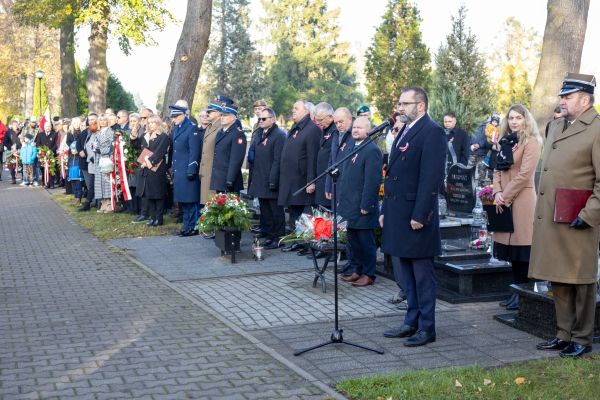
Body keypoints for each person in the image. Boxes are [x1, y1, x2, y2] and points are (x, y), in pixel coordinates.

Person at [531, 73, 600, 358]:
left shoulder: (596, 128)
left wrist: (589, 214)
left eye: (568, 96)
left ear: (585, 100)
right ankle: (563, 333)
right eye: (563, 96)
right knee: (558, 277)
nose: (562, 100)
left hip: (580, 216)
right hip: (553, 215)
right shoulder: (556, 125)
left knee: (581, 279)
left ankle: (582, 338)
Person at [380, 87, 446, 347]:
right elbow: (392, 176)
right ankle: (411, 321)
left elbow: (431, 177)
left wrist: (421, 214)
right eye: (399, 103)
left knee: (422, 275)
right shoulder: (403, 130)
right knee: (406, 273)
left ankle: (427, 327)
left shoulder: (432, 132)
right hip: (398, 213)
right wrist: (385, 210)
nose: (400, 108)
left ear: (421, 106)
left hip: (416, 216)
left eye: (405, 103)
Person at [491, 104, 542, 311]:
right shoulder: (504, 142)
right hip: (504, 199)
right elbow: (496, 169)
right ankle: (515, 292)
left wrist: (506, 195)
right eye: (511, 118)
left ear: (525, 120)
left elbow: (524, 175)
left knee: (523, 250)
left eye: (518, 118)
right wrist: (496, 192)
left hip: (522, 200)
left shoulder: (532, 142)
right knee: (511, 252)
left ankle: (524, 294)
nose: (514, 121)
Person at [338, 116, 383, 287]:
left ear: (368, 130)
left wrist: (366, 204)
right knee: (353, 241)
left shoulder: (371, 150)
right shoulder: (351, 146)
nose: (356, 130)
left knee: (366, 242)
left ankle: (369, 273)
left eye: (360, 128)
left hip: (362, 206)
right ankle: (357, 270)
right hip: (349, 205)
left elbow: (372, 181)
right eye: (354, 127)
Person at [279, 100, 321, 253]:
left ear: (307, 111)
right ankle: (296, 240)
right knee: (294, 211)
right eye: (293, 108)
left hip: (302, 180)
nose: (293, 110)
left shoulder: (312, 129)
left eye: (296, 108)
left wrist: (311, 181)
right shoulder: (296, 127)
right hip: (290, 179)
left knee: (303, 213)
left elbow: (313, 157)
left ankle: (305, 243)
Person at [248, 108, 286, 250]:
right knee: (265, 212)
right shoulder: (259, 133)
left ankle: (279, 238)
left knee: (276, 211)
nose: (261, 121)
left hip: (271, 179)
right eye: (260, 119)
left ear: (273, 119)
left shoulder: (279, 135)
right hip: (260, 178)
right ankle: (270, 236)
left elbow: (278, 160)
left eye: (264, 119)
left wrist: (273, 180)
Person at [170, 103, 202, 237]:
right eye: (173, 117)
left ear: (184, 115)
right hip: (179, 169)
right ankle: (186, 225)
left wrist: (192, 169)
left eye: (176, 116)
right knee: (183, 200)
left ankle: (193, 227)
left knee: (190, 200)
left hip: (187, 169)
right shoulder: (177, 128)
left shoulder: (192, 128)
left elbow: (194, 152)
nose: (174, 119)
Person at [136, 115, 170, 226]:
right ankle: (152, 217)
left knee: (158, 194)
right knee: (149, 193)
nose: (150, 125)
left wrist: (148, 162)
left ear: (158, 123)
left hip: (157, 168)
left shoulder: (163, 136)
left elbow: (159, 152)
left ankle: (159, 218)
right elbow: (138, 147)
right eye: (149, 123)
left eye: (153, 122)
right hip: (146, 169)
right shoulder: (146, 135)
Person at [210, 105, 246, 193]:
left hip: (229, 180)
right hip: (219, 178)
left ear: (234, 117)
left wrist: (230, 179)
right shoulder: (221, 132)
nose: (222, 117)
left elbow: (236, 159)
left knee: (228, 206)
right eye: (221, 115)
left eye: (225, 115)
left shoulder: (237, 134)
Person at [199, 99, 223, 208]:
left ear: (218, 113)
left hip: (214, 171)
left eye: (210, 112)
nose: (207, 114)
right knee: (207, 203)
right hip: (205, 170)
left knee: (213, 203)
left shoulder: (221, 127)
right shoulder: (209, 126)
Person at [313, 102, 336, 209]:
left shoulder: (336, 130)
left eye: (320, 120)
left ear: (330, 116)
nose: (318, 123)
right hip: (321, 178)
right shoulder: (325, 129)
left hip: (330, 179)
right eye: (316, 120)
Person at [92, 115, 115, 213]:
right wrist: (94, 148)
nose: (102, 121)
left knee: (106, 181)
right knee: (99, 182)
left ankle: (109, 204)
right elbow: (94, 145)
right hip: (98, 159)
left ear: (107, 121)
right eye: (100, 120)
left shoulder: (110, 132)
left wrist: (100, 150)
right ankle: (103, 204)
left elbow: (112, 146)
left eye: (104, 120)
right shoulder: (97, 132)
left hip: (106, 158)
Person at [470, 115, 499, 187]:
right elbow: (468, 136)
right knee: (470, 169)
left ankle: (481, 186)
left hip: (482, 152)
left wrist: (479, 144)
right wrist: (470, 145)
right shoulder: (471, 125)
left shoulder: (488, 126)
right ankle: (469, 185)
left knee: (482, 170)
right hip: (471, 152)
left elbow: (487, 138)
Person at [77, 114, 98, 211]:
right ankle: (91, 202)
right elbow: (79, 143)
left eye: (93, 119)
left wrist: (87, 153)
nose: (91, 121)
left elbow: (94, 147)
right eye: (89, 120)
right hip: (85, 162)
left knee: (94, 183)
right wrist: (80, 150)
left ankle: (93, 202)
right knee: (89, 183)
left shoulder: (98, 132)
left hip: (95, 161)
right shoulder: (84, 132)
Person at [35, 121, 59, 188]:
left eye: (49, 126)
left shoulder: (54, 134)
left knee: (51, 169)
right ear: (44, 127)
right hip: (43, 155)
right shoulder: (40, 134)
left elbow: (56, 144)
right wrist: (43, 151)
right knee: (43, 169)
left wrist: (50, 151)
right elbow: (38, 144)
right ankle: (45, 183)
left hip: (52, 154)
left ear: (51, 127)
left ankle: (51, 184)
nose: (47, 128)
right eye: (46, 126)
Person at [3, 119, 21, 184]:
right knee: (12, 166)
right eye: (14, 125)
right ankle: (13, 178)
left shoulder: (20, 131)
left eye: (17, 125)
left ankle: (25, 179)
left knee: (20, 165)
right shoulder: (8, 132)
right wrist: (10, 147)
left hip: (19, 150)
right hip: (11, 151)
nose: (16, 126)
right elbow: (5, 142)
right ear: (12, 125)